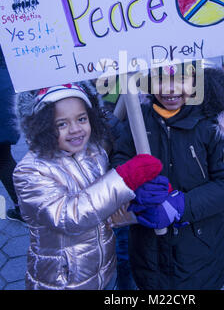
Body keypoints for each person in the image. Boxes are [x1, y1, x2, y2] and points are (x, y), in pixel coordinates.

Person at [12, 83, 163, 290]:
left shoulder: (93, 152)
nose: (75, 129)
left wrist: (137, 211)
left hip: (103, 271)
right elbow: (70, 217)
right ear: (42, 126)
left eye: (81, 119)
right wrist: (124, 178)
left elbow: (101, 211)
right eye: (61, 124)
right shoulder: (30, 171)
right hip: (62, 281)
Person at [111, 65, 224, 290]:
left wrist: (180, 206)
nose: (170, 89)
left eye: (181, 79)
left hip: (198, 254)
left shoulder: (213, 123)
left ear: (196, 81)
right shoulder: (138, 117)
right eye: (160, 80)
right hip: (148, 250)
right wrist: (135, 187)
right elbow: (120, 157)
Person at [0, 45, 23, 222]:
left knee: (2, 159)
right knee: (3, 158)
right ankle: (24, 208)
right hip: (6, 85)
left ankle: (24, 208)